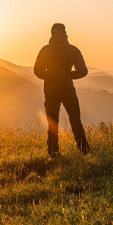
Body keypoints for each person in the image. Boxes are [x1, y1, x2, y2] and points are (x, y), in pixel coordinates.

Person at [33, 23, 91, 157]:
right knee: (75, 120)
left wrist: (50, 76)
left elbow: (37, 71)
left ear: (52, 33)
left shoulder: (46, 50)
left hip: (51, 90)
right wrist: (69, 75)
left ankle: (53, 151)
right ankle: (84, 150)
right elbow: (83, 71)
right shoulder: (73, 50)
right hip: (68, 90)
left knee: (53, 122)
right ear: (65, 33)